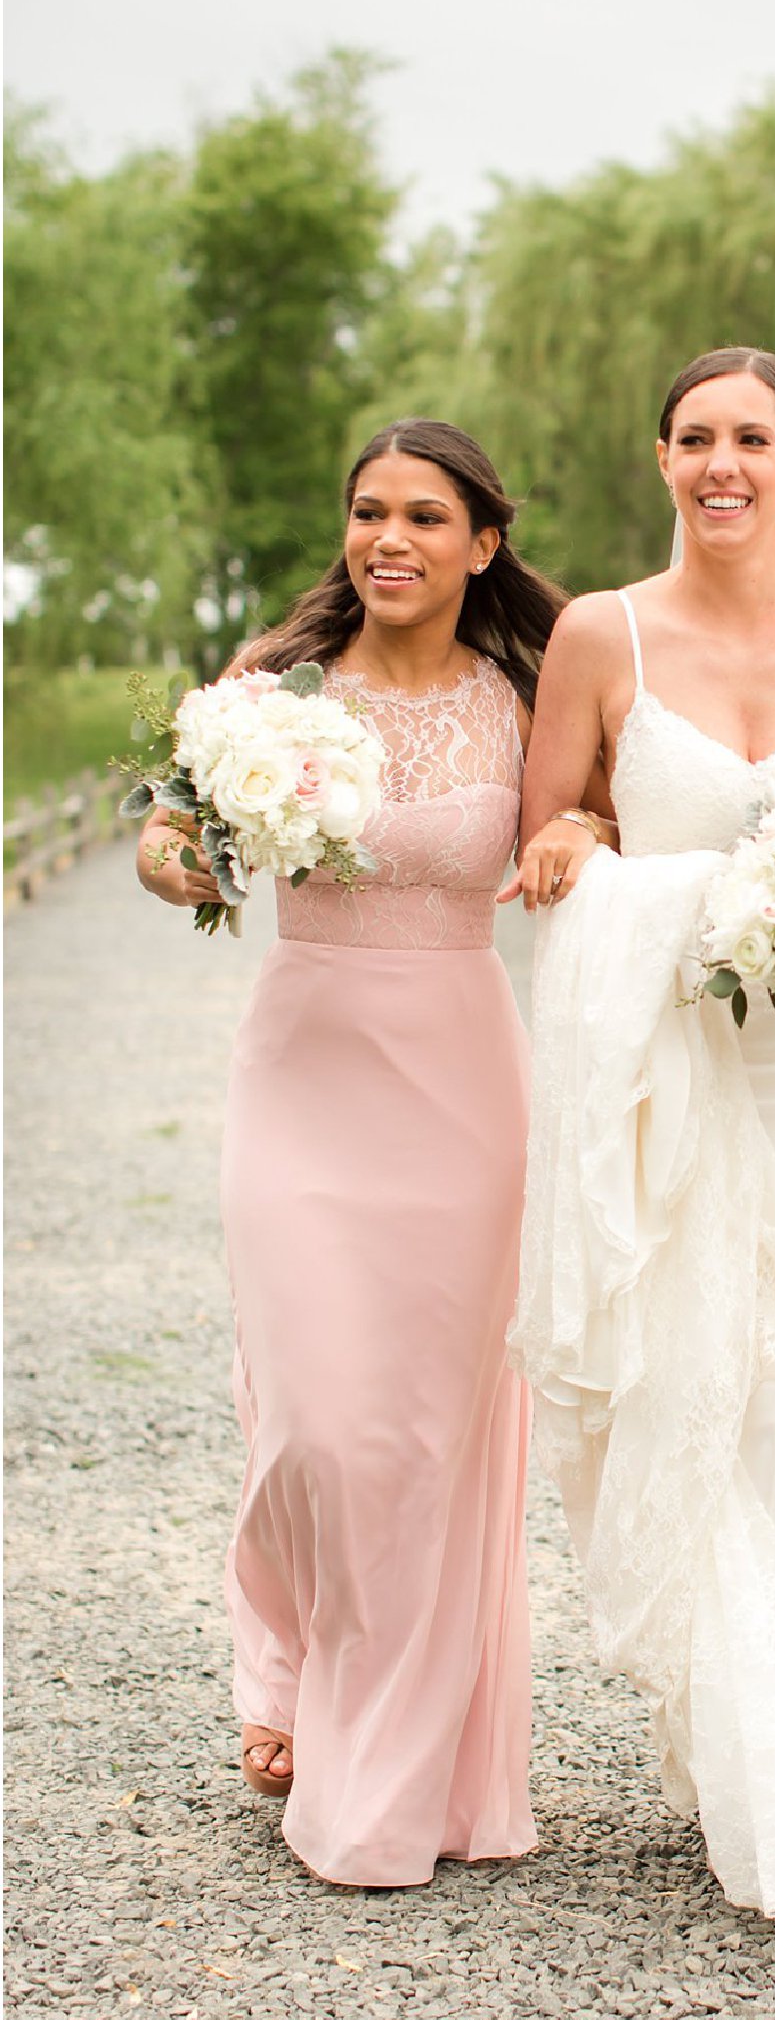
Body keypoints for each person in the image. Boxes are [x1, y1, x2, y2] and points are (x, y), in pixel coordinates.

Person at [508, 347, 775, 1918]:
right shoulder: (597, 633)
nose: (723, 463)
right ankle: (741, 1757)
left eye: (753, 437)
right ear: (663, 456)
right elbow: (555, 830)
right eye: (695, 437)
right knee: (694, 1382)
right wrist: (570, 839)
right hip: (665, 1067)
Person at [136, 419, 598, 1886]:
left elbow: (581, 835)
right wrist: (184, 859)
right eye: (366, 513)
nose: (387, 538)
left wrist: (579, 831)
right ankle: (278, 1636)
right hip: (302, 1075)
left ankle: (383, 1764)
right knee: (313, 1428)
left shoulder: (529, 697)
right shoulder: (270, 690)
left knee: (418, 1441)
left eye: (421, 515)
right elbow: (168, 840)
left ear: (482, 544)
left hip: (461, 1088)